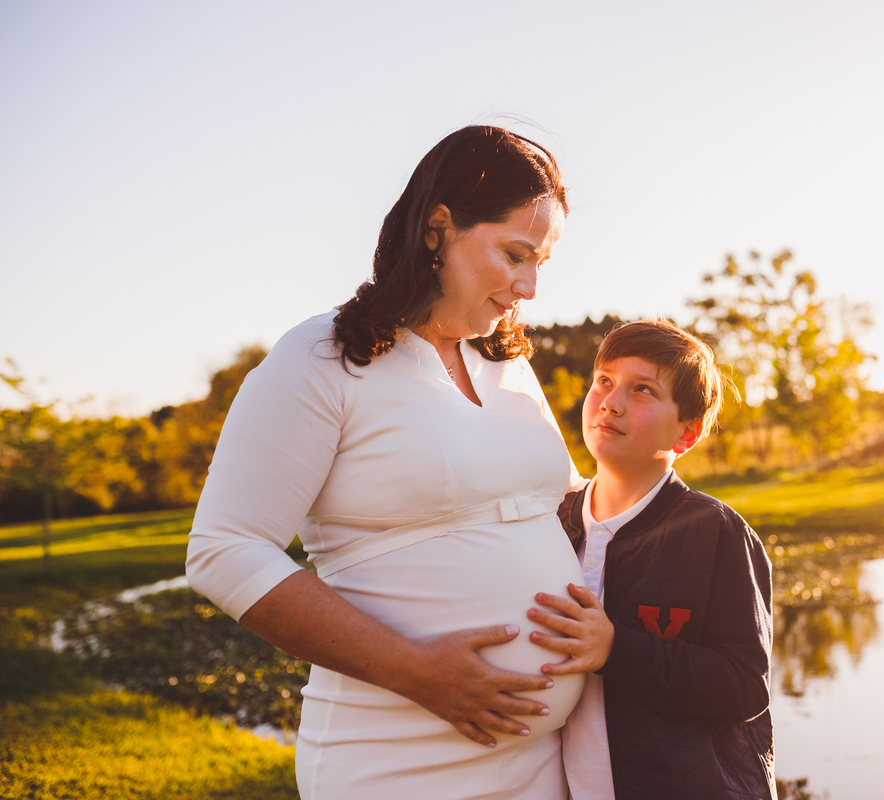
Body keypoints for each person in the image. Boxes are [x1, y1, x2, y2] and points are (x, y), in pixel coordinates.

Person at [185, 126, 588, 799]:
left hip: (541, 766)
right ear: (438, 229)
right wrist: (414, 669)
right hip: (392, 762)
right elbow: (224, 549)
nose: (531, 285)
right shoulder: (321, 357)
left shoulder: (508, 363)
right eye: (516, 254)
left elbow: (564, 508)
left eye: (542, 260)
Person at [525, 319, 776, 800]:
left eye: (643, 390)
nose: (611, 401)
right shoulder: (550, 518)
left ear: (687, 432)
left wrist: (615, 648)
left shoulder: (716, 531)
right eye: (604, 380)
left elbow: (745, 686)